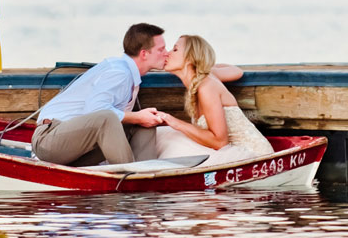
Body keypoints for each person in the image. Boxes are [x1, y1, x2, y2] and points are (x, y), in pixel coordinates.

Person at [31, 23, 169, 166]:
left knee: (145, 123)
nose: (167, 53)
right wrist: (137, 117)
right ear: (144, 54)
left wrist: (141, 119)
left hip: (79, 148)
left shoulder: (128, 73)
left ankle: (146, 173)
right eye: (161, 49)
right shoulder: (119, 72)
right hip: (50, 141)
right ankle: (131, 178)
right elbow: (96, 111)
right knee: (108, 117)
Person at [151, 35, 275, 167]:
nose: (167, 53)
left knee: (168, 137)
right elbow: (237, 71)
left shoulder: (206, 87)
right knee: (163, 134)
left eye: (175, 50)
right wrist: (204, 66)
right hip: (228, 152)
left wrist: (175, 123)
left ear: (190, 58)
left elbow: (220, 142)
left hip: (252, 157)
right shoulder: (208, 75)